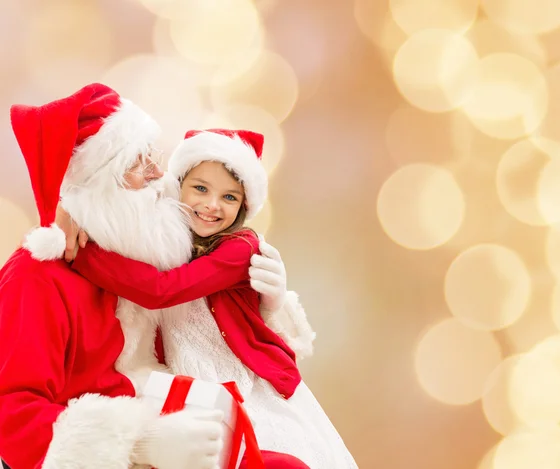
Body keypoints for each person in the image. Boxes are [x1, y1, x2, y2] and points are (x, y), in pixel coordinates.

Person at [0, 83, 305, 469]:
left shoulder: (133, 259)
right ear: (98, 181)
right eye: (137, 162)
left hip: (172, 416)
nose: (160, 173)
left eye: (154, 155)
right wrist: (140, 446)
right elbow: (12, 418)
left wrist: (272, 306)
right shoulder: (36, 277)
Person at [68, 129, 358, 469]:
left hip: (243, 383)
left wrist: (83, 254)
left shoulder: (240, 248)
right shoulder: (168, 238)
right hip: (188, 383)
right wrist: (79, 216)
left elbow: (163, 290)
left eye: (230, 197)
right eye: (201, 188)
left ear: (244, 206)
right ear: (178, 186)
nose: (212, 205)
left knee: (267, 454)